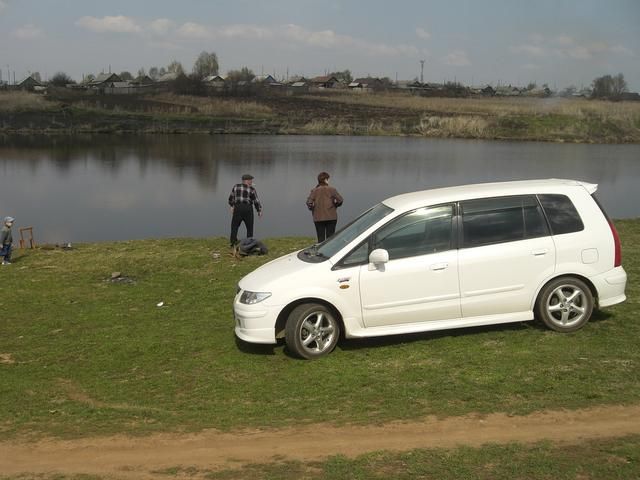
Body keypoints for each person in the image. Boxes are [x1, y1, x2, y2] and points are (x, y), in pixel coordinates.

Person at [306, 172, 344, 243]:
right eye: (328, 179)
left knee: (321, 238)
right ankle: (330, 252)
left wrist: (313, 209)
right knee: (330, 239)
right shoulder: (332, 189)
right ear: (326, 180)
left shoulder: (314, 190)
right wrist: (335, 205)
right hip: (331, 217)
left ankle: (321, 252)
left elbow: (309, 203)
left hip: (318, 217)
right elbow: (340, 200)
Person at [228, 174, 263, 248]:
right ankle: (249, 243)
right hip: (247, 209)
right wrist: (259, 210)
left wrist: (232, 205)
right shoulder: (252, 189)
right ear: (246, 181)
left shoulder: (236, 186)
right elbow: (255, 201)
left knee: (234, 226)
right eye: (250, 180)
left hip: (238, 208)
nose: (251, 181)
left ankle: (233, 243)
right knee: (249, 227)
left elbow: (231, 198)